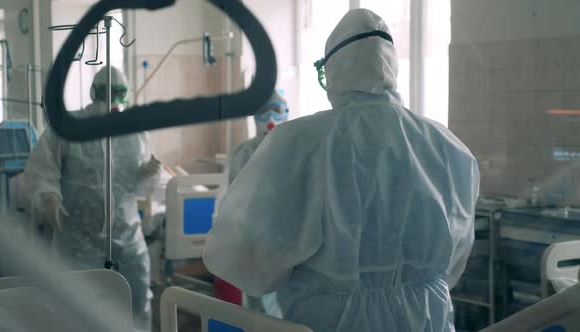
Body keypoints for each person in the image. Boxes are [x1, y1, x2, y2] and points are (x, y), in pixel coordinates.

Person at [203, 9, 480, 332]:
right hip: (426, 317)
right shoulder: (448, 146)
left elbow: (245, 258)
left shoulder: (299, 143)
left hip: (333, 320)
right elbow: (455, 259)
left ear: (333, 69)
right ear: (390, 65)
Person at [24, 66, 160, 332]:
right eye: (107, 92)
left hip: (127, 238)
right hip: (78, 240)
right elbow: (42, 167)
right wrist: (49, 197)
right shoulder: (69, 126)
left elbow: (139, 188)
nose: (113, 99)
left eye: (120, 93)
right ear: (93, 92)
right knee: (75, 310)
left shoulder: (135, 132)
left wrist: (147, 174)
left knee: (137, 302)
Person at [221, 90, 289, 310]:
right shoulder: (242, 153)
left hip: (288, 243)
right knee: (257, 309)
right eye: (263, 113)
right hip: (251, 244)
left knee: (288, 309)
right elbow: (233, 201)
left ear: (287, 112)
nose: (270, 119)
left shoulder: (297, 147)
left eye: (277, 111)